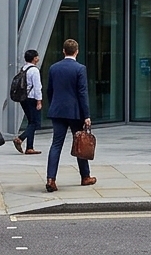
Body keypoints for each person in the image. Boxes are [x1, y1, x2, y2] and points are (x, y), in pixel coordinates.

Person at [45, 38, 96, 192]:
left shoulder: (54, 68)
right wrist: (86, 115)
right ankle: (85, 176)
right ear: (77, 51)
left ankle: (51, 179)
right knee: (80, 142)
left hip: (58, 110)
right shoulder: (80, 69)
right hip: (75, 112)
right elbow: (82, 93)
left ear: (63, 51)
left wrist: (54, 105)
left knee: (56, 145)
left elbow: (49, 90)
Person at [13, 49, 44, 155]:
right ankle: (20, 139)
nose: (38, 58)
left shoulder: (24, 68)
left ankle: (29, 147)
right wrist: (39, 101)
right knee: (35, 123)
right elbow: (37, 87)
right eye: (37, 56)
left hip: (23, 98)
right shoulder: (34, 70)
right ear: (35, 58)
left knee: (31, 122)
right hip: (32, 98)